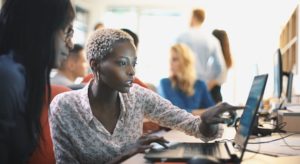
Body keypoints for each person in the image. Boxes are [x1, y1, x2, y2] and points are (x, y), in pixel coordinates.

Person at [49, 29, 243, 163]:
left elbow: (193, 127)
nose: (132, 71)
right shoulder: (64, 106)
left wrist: (205, 122)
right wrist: (126, 154)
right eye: (122, 63)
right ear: (95, 65)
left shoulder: (138, 96)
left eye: (134, 63)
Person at [0, 0, 75, 163]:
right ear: (42, 28)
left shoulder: (27, 78)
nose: (71, 44)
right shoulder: (8, 76)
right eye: (67, 31)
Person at [176, 8, 227, 102]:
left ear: (193, 17)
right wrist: (209, 84)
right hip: (202, 85)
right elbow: (220, 67)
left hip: (183, 85)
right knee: (202, 114)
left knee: (184, 113)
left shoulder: (181, 36)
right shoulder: (212, 40)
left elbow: (175, 60)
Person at [158, 43, 215, 115]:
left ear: (185, 62)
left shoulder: (200, 85)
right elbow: (174, 113)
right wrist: (200, 112)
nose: (170, 63)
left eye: (174, 59)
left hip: (195, 125)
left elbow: (213, 111)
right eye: (170, 60)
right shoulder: (164, 83)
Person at [211, 29, 233, 103]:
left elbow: (210, 84)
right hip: (217, 96)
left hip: (212, 98)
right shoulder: (226, 60)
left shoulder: (218, 63)